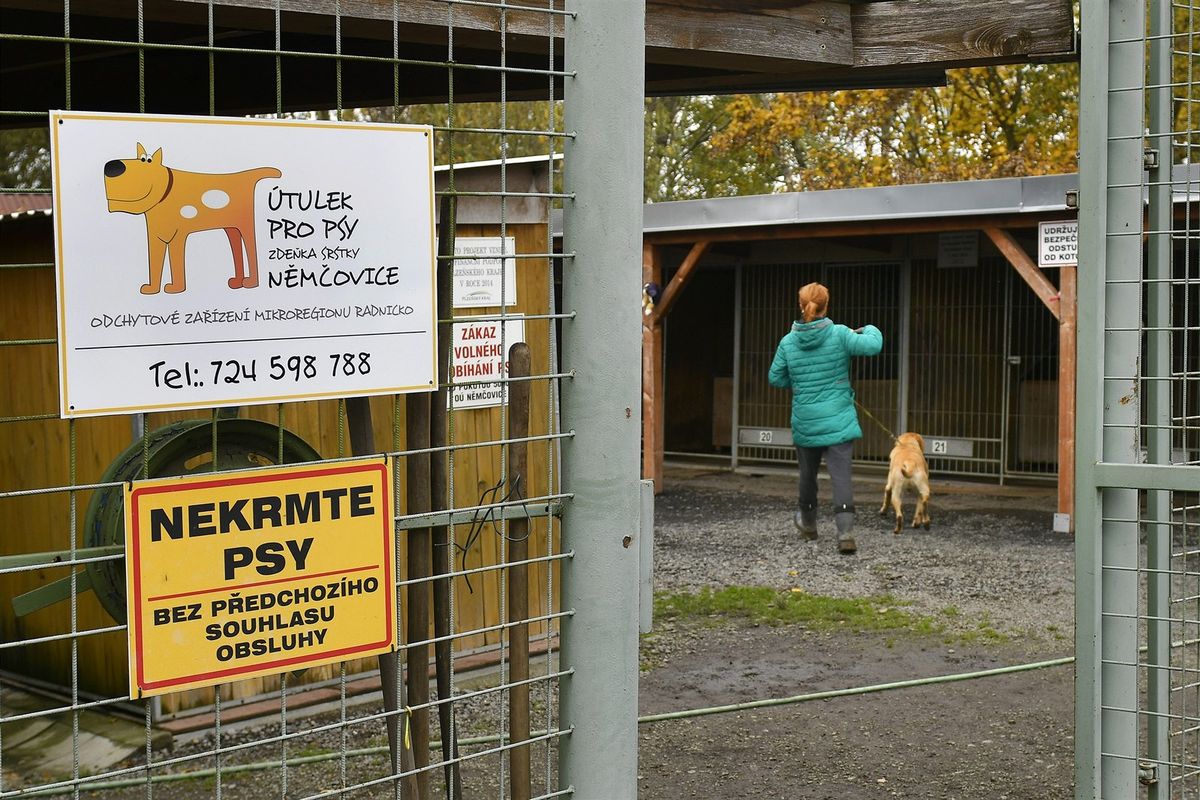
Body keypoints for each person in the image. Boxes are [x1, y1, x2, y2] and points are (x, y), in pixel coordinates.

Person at [768, 282, 882, 554]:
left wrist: (801, 384)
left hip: (805, 420)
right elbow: (874, 345)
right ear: (826, 305)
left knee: (807, 476)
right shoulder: (841, 334)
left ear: (801, 305)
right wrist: (868, 328)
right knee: (841, 477)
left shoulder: (788, 341)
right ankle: (845, 534)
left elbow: (775, 377)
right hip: (838, 420)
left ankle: (808, 525)